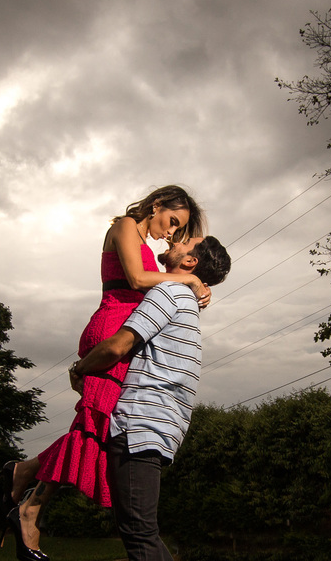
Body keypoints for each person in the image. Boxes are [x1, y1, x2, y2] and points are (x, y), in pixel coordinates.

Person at [0, 186, 214, 561]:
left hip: (125, 330)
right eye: (171, 221)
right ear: (157, 204)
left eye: (178, 231)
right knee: (92, 428)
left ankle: (27, 489)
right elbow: (138, 280)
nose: (169, 232)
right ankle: (27, 495)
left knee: (94, 431)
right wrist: (190, 282)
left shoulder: (149, 244)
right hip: (112, 327)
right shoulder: (126, 225)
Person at [73, 235, 230, 561]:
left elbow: (118, 346)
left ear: (190, 263)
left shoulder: (169, 292)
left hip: (139, 425)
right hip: (160, 428)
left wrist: (81, 367)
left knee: (139, 535)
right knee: (142, 532)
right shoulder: (185, 301)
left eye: (185, 241)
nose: (174, 239)